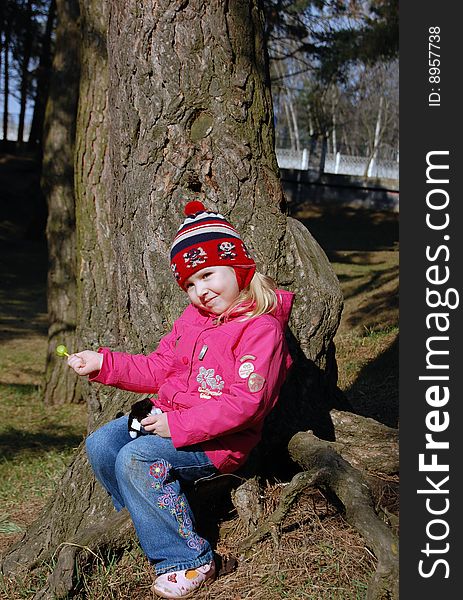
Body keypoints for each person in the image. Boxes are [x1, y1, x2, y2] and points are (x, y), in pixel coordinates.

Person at [67, 200, 294, 599]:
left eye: (208, 276)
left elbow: (247, 405)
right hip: (171, 419)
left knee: (135, 457)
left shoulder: (260, 330)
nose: (201, 291)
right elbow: (158, 368)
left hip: (219, 443)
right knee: (102, 443)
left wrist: (178, 426)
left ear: (239, 270)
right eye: (190, 284)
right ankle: (153, 518)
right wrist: (103, 363)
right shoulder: (192, 320)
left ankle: (190, 560)